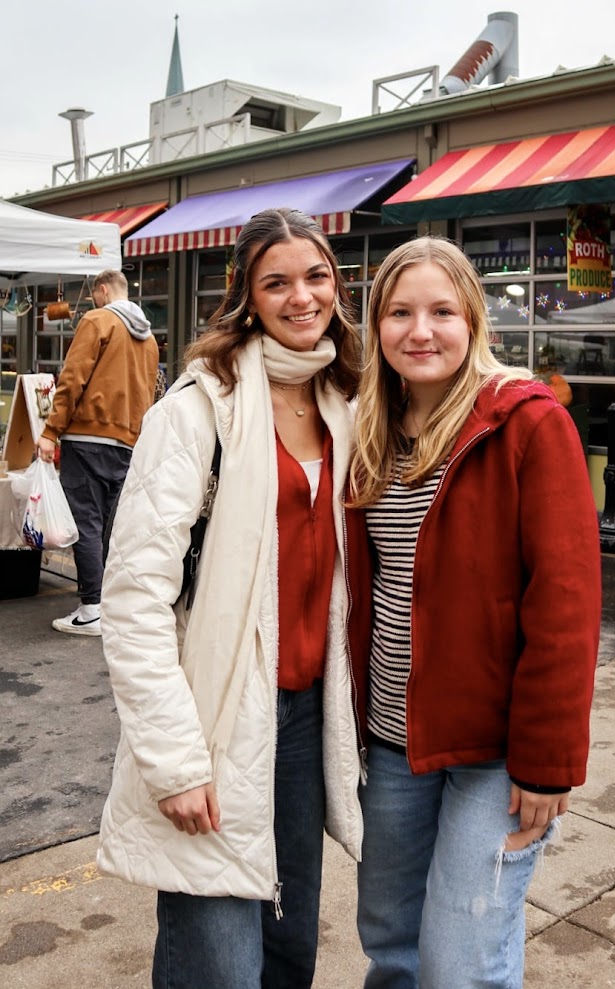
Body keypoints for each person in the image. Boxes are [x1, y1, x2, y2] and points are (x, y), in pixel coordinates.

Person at [96, 208, 364, 989]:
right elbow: (135, 596)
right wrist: (175, 763)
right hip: (214, 717)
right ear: (246, 296)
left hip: (309, 721)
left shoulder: (347, 399)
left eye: (316, 276)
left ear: (338, 286)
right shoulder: (197, 408)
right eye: (275, 281)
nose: (301, 296)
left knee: (288, 956)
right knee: (217, 964)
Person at [345, 236, 602, 989]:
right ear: (376, 324)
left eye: (440, 311)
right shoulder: (370, 430)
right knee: (391, 942)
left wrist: (549, 760)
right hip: (394, 740)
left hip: (495, 751)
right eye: (399, 312)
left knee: (461, 963)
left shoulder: (526, 422)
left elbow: (566, 602)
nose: (419, 330)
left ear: (474, 320)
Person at [37, 269, 158, 636]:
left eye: (94, 296)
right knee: (110, 527)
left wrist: (50, 430)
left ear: (103, 290)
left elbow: (73, 378)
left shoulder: (98, 320)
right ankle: (107, 605)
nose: (93, 302)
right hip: (128, 442)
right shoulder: (149, 338)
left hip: (87, 437)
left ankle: (91, 607)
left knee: (85, 523)